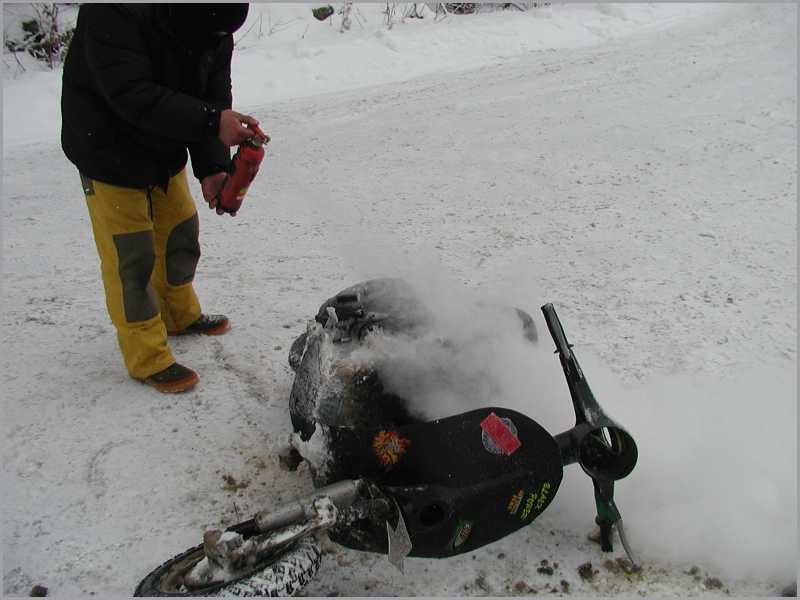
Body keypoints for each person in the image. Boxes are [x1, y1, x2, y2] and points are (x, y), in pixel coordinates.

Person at [61, 4, 258, 393]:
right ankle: (146, 356)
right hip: (106, 147)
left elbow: (213, 95)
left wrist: (213, 167)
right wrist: (209, 121)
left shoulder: (212, 24)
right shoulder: (115, 11)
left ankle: (177, 314)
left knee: (181, 231)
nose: (217, 42)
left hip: (163, 139)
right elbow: (131, 94)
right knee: (130, 256)